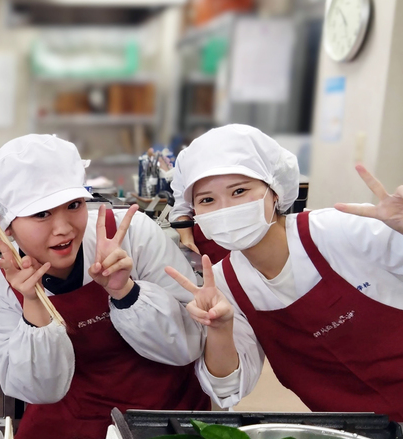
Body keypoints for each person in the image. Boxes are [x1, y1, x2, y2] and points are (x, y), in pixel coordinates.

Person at [0, 134, 210, 439]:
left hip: (165, 413)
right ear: (6, 227)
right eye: (41, 213)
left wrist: (125, 292)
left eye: (73, 205)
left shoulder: (130, 235)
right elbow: (39, 390)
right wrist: (33, 306)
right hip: (77, 418)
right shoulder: (2, 282)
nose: (64, 228)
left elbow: (188, 346)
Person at [165, 124, 403, 420]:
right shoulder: (225, 282)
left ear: (274, 191)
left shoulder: (337, 230)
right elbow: (228, 389)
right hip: (354, 432)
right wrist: (220, 329)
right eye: (207, 200)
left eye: (239, 191)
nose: (224, 208)